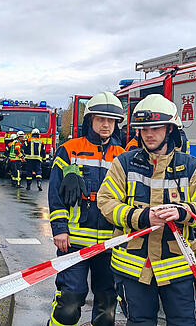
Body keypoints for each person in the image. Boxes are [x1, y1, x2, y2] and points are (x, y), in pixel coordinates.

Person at [97, 94, 196, 326]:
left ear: (170, 129)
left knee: (184, 323)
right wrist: (141, 217)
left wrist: (183, 212)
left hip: (179, 268)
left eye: (155, 128)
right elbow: (105, 201)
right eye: (144, 129)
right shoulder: (124, 163)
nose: (149, 134)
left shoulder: (190, 166)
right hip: (133, 268)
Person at [47, 92, 127, 326]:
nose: (106, 125)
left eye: (111, 120)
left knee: (107, 302)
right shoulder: (69, 150)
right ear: (89, 120)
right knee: (70, 300)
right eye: (100, 119)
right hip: (74, 240)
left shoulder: (123, 156)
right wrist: (60, 229)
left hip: (111, 243)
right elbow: (55, 195)